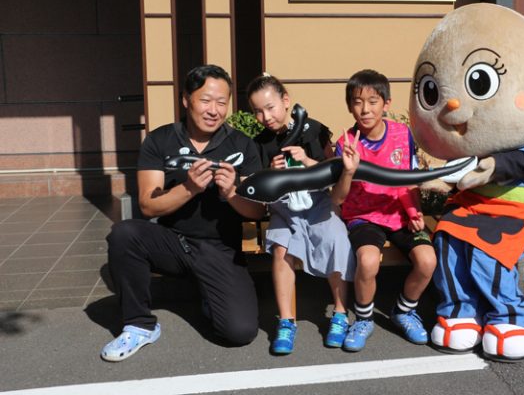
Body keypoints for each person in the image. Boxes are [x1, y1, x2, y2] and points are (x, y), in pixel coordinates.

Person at [101, 65, 264, 362]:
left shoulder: (242, 145)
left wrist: (231, 192)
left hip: (221, 249)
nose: (214, 110)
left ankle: (210, 295)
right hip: (172, 242)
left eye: (222, 102)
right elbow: (148, 205)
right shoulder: (160, 140)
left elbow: (258, 210)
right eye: (205, 100)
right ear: (186, 100)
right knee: (124, 234)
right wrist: (189, 188)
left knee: (240, 332)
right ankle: (139, 325)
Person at [246, 74, 356, 355]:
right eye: (258, 111)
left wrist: (307, 161)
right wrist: (270, 172)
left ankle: (340, 313)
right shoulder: (259, 142)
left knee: (336, 238)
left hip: (318, 203)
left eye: (270, 107)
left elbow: (334, 169)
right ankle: (286, 321)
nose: (265, 117)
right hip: (283, 208)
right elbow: (258, 187)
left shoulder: (314, 130)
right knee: (281, 249)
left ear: (286, 101)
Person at [333, 69, 437, 352]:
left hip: (400, 213)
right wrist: (348, 171)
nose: (365, 109)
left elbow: (408, 180)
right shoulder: (346, 144)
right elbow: (338, 198)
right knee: (367, 261)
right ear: (349, 106)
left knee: (427, 260)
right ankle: (363, 319)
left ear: (386, 104)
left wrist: (414, 212)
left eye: (373, 101)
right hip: (363, 217)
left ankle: (403, 311)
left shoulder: (403, 134)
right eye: (357, 102)